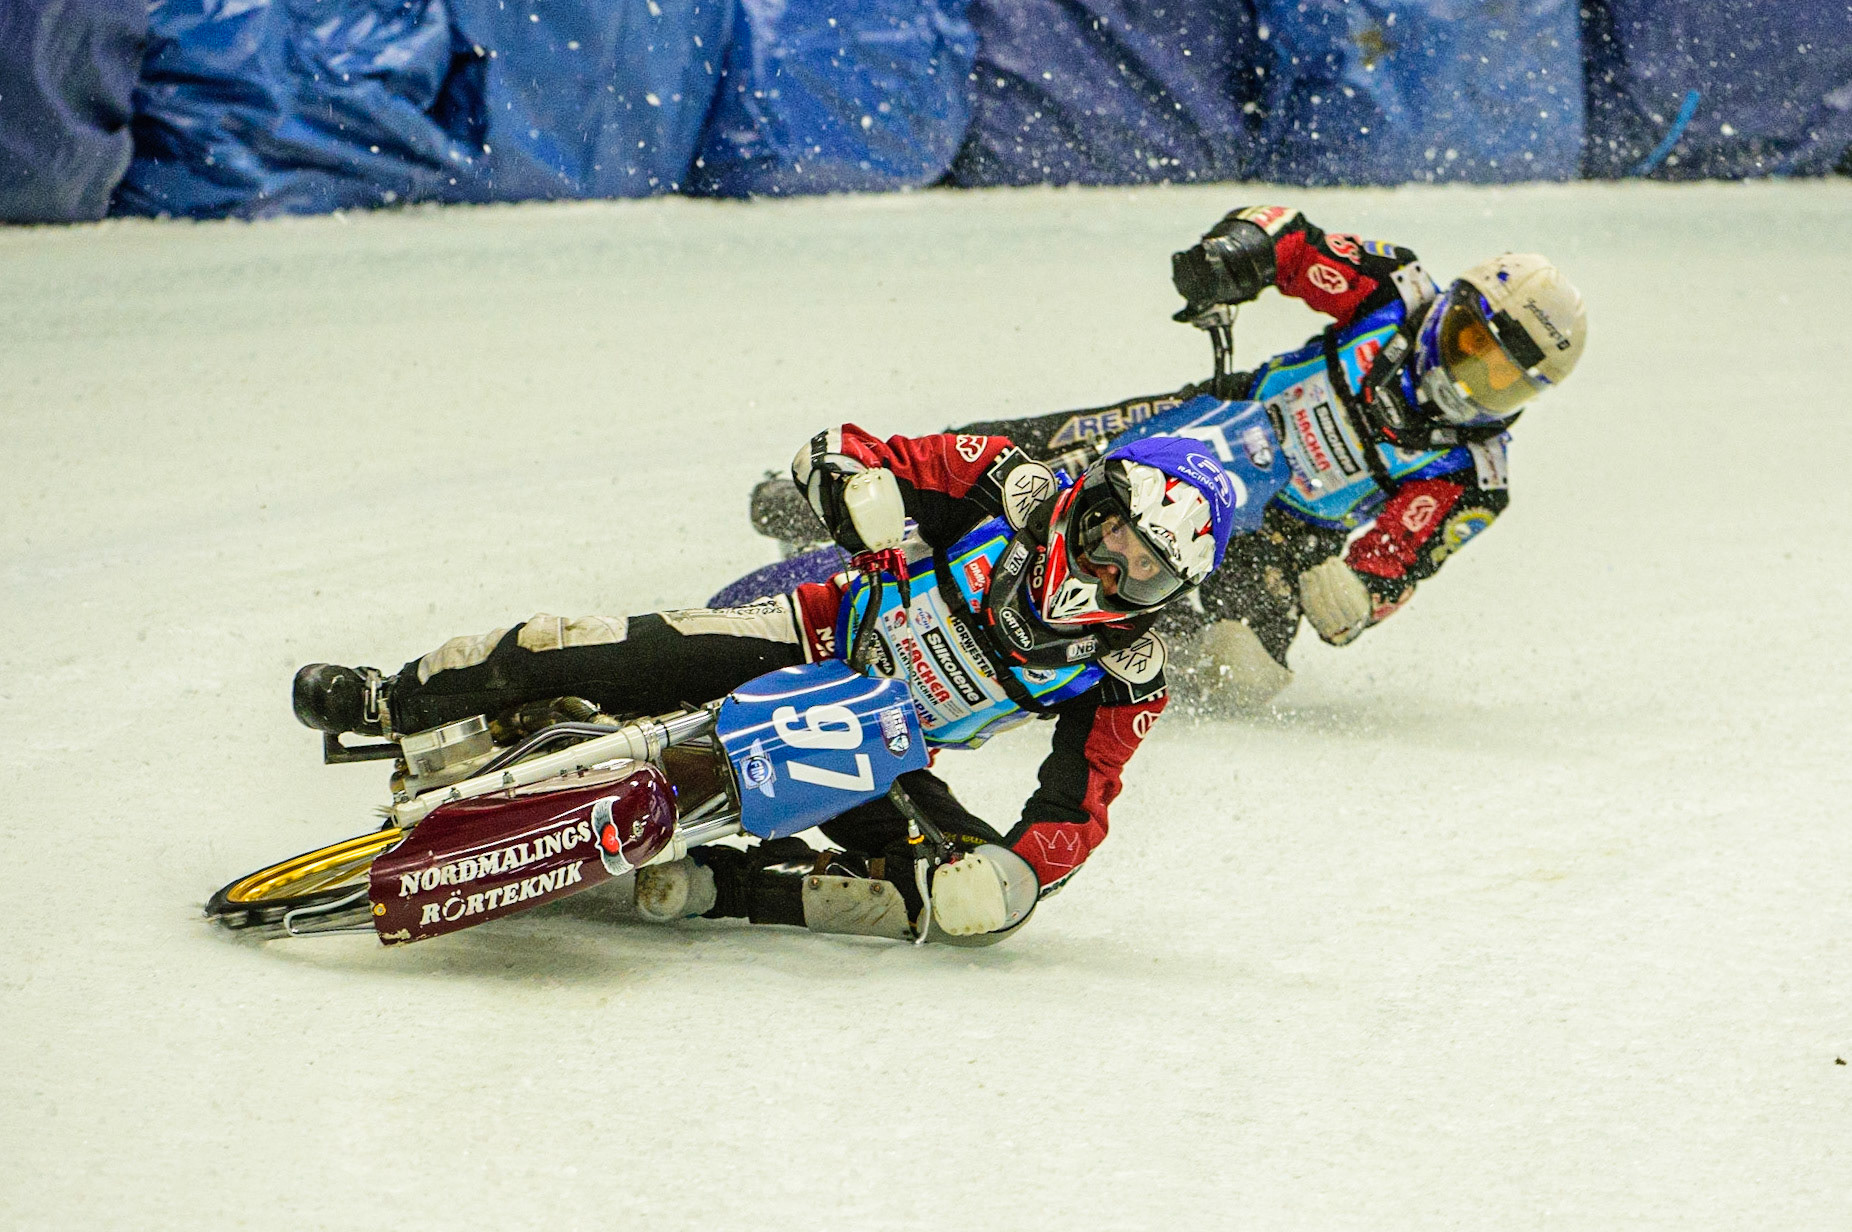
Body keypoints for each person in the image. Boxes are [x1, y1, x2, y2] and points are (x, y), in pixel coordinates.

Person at [292, 426, 1236, 944]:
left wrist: (1019, 872)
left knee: (951, 906)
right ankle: (393, 698)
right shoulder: (1009, 483)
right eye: (1116, 532)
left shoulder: (1128, 675)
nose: (1111, 569)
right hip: (802, 635)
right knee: (572, 643)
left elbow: (1078, 807)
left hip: (879, 754)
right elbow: (845, 449)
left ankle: (721, 888)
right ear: (1093, 500)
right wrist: (855, 492)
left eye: (1145, 572)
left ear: (1170, 595)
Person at [741, 206, 1587, 707]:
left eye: (1504, 378)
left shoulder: (1472, 479)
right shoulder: (1395, 289)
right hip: (1197, 422)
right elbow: (1289, 238)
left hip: (1271, 542)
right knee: (1012, 454)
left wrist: (1347, 592)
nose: (1471, 378)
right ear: (1456, 307)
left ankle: (1091, 665)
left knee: (1246, 677)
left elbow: (1383, 581)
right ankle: (854, 495)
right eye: (1474, 343)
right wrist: (1233, 255)